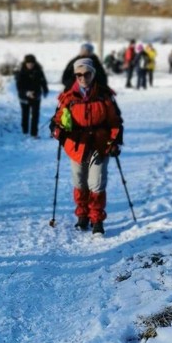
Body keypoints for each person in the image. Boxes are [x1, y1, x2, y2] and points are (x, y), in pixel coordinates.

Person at [52, 57, 123, 236]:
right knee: (80, 182)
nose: (83, 77)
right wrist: (57, 130)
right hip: (77, 146)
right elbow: (58, 121)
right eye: (79, 74)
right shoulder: (68, 98)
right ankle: (82, 215)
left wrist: (114, 141)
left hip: (99, 145)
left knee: (97, 183)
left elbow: (115, 121)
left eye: (87, 73)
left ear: (93, 74)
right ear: (75, 76)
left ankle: (97, 219)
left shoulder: (104, 96)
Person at [15, 54, 48, 138]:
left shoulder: (38, 71)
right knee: (25, 114)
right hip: (24, 96)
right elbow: (19, 86)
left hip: (36, 95)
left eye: (32, 63)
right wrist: (26, 93)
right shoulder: (20, 72)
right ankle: (25, 131)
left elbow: (43, 81)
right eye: (28, 63)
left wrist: (45, 90)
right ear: (25, 63)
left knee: (35, 114)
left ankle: (34, 133)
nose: (30, 65)